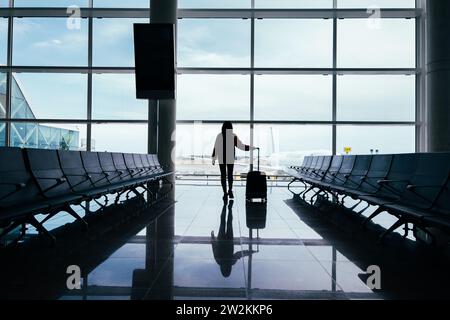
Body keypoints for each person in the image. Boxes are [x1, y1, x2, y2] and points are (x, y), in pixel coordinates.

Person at [212, 121, 256, 201]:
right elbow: (241, 146)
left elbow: (216, 147)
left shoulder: (219, 136)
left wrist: (214, 158)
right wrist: (250, 148)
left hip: (221, 158)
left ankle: (225, 193)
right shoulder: (233, 136)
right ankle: (230, 191)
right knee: (230, 175)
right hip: (230, 158)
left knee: (223, 176)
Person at [211, 201, 254, 278]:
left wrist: (250, 252)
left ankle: (229, 209)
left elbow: (239, 254)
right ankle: (225, 206)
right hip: (221, 240)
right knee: (223, 223)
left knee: (229, 223)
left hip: (229, 240)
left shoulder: (231, 262)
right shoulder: (219, 261)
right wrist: (212, 237)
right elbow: (214, 247)